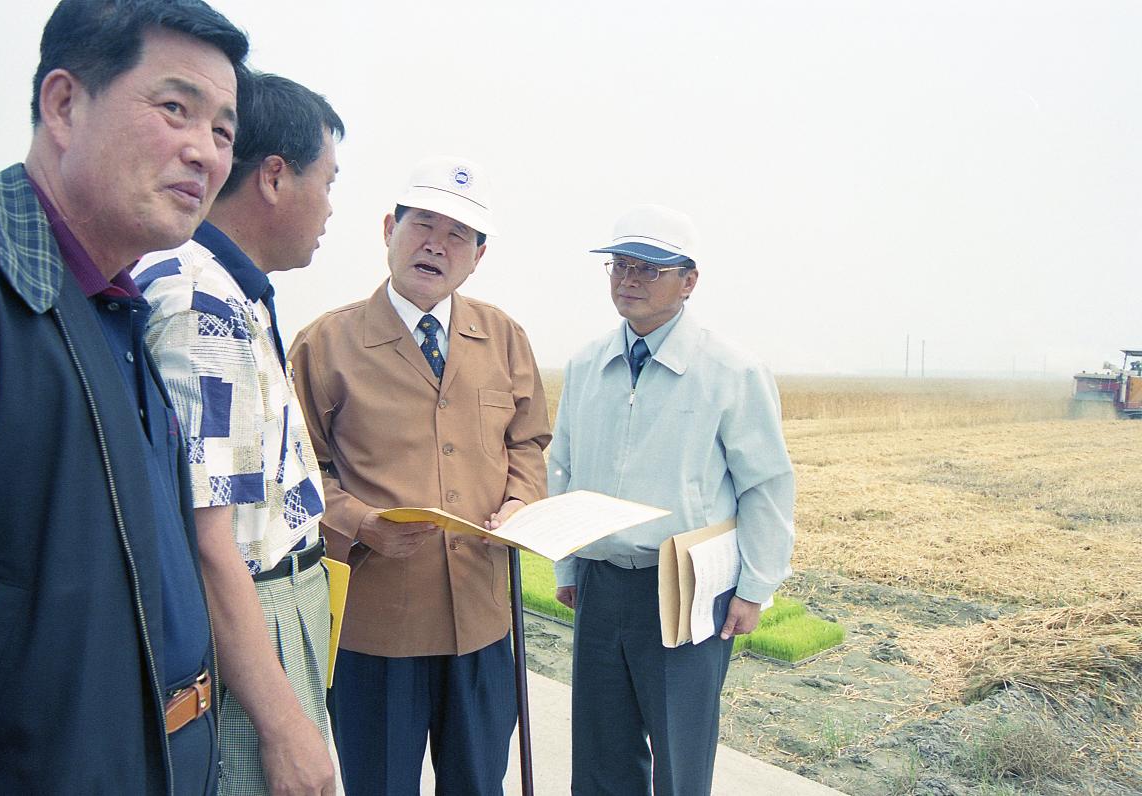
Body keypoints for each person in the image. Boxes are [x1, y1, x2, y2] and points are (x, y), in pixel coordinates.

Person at [0, 1, 247, 792]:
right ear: (64, 103)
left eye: (222, 131)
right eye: (176, 108)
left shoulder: (114, 308)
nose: (203, 152)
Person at [288, 156, 551, 795]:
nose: (436, 243)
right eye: (422, 224)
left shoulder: (504, 336)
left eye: (457, 233)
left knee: (478, 784)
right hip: (377, 626)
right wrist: (359, 522)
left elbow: (530, 442)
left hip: (482, 619)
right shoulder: (325, 344)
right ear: (388, 228)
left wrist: (520, 502)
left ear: (478, 255)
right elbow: (295, 471)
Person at [134, 71, 343, 796]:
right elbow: (208, 537)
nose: (330, 210)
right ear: (276, 178)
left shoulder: (227, 289)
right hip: (254, 619)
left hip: (277, 609)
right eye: (329, 181)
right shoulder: (203, 308)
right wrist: (286, 725)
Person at [548, 204, 796, 795]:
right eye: (620, 266)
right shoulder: (587, 365)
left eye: (649, 269)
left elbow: (766, 484)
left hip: (687, 586)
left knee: (680, 755)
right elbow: (562, 467)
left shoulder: (730, 370)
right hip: (602, 580)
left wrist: (756, 587)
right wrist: (566, 561)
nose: (628, 279)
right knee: (601, 752)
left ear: (689, 281)